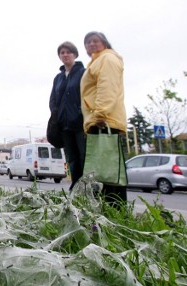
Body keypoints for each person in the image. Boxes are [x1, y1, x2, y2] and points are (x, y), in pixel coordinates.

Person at [80, 31, 128, 207]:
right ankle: (108, 208)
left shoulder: (107, 59)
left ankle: (115, 208)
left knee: (109, 170)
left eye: (95, 41)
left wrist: (100, 114)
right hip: (99, 119)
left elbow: (107, 87)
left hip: (104, 120)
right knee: (102, 169)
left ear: (105, 43)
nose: (91, 44)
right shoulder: (97, 61)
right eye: (87, 42)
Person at [49, 41, 86, 191]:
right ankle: (75, 186)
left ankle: (85, 185)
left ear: (75, 54)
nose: (65, 55)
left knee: (83, 155)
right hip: (63, 124)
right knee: (71, 157)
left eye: (68, 52)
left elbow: (87, 95)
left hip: (79, 123)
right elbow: (53, 99)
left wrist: (79, 113)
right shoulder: (58, 78)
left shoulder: (83, 72)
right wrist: (55, 114)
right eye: (62, 52)